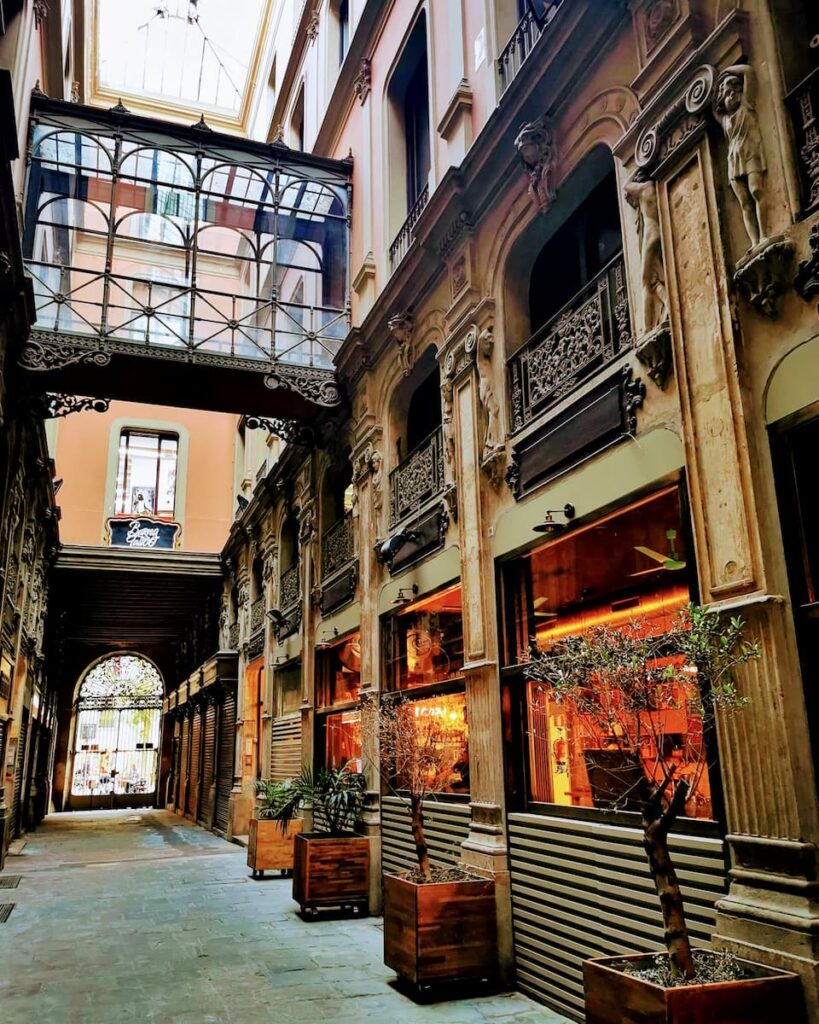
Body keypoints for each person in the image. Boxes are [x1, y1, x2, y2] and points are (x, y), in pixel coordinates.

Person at [714, 64, 767, 249]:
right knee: (745, 202)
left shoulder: (747, 104)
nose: (732, 95)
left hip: (750, 152)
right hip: (734, 160)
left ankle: (764, 235)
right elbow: (710, 105)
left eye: (734, 89)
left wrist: (725, 72)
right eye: (728, 93)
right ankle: (754, 242)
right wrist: (715, 82)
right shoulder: (725, 120)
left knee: (756, 191)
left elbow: (748, 72)